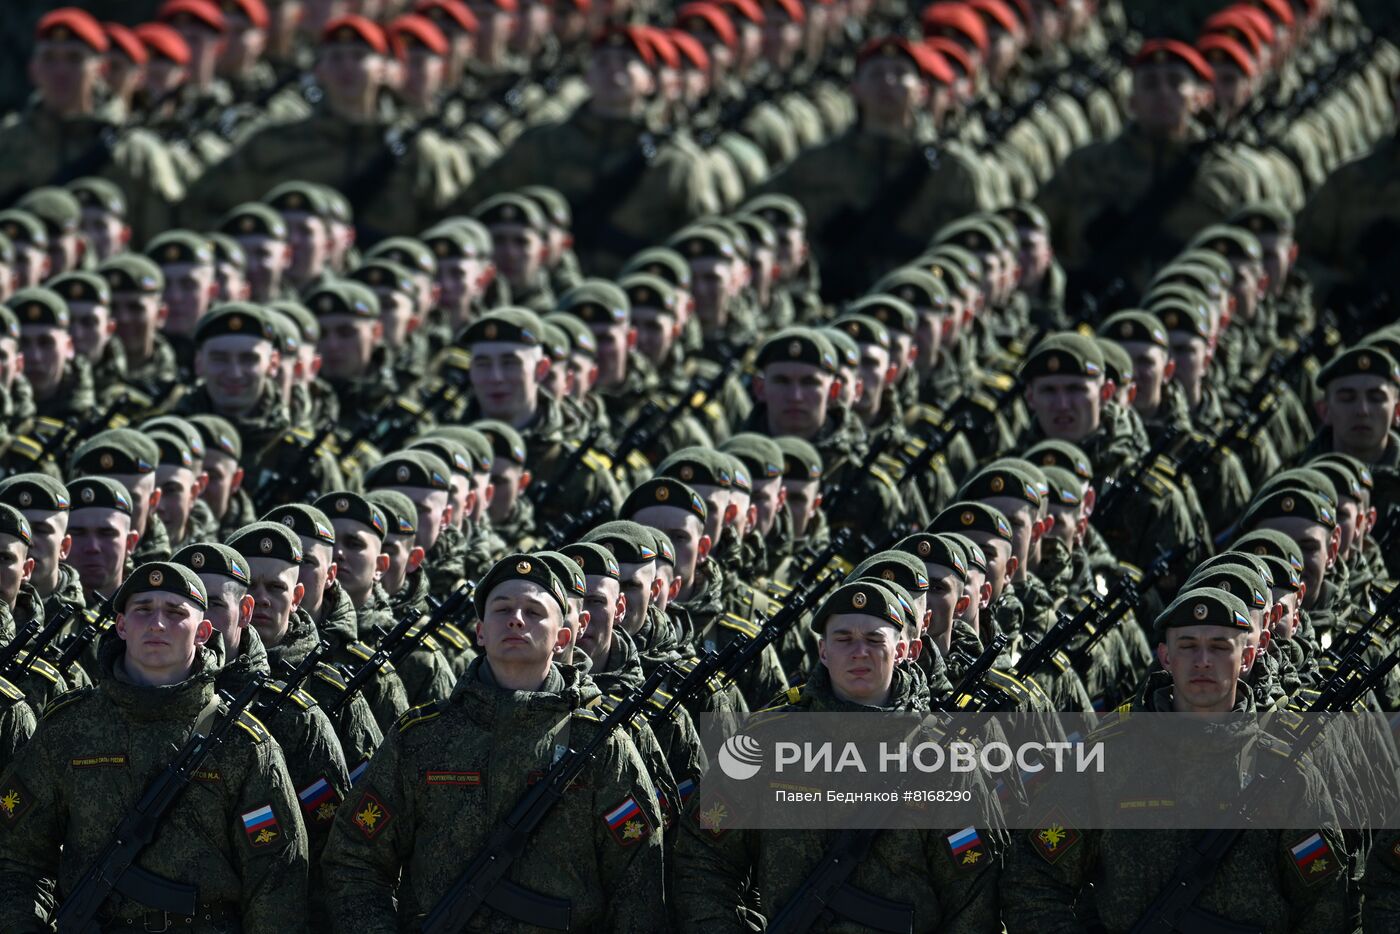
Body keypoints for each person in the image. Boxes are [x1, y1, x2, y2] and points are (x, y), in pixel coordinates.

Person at [321, 552, 665, 931]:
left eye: (534, 613)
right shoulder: (421, 738)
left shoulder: (598, 744)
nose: (517, 619)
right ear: (480, 631)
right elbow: (355, 860)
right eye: (502, 610)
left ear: (563, 636)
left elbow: (638, 883)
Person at [1002, 587, 1348, 934]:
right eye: (1188, 646)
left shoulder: (1286, 774)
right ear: (1165, 657)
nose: (1202, 661)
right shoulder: (1105, 762)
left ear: (1248, 657)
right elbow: (1033, 879)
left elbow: (1328, 906)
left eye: (1219, 646)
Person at [672, 579, 1004, 932]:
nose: (859, 651)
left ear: (906, 649)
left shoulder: (945, 760)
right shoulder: (766, 742)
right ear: (824, 651)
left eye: (875, 639)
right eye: (844, 639)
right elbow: (703, 859)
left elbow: (975, 899)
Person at [0, 560, 310, 932]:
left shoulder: (242, 743)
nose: (157, 624)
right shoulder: (69, 728)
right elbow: (18, 858)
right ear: (121, 625)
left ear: (203, 632)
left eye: (176, 612)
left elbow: (276, 881)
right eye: (143, 610)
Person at [466, 26, 722, 275]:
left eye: (626, 62)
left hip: (637, 291)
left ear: (651, 82)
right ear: (587, 77)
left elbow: (698, 239)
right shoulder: (544, 143)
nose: (612, 70)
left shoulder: (673, 161)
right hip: (549, 283)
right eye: (602, 62)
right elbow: (485, 204)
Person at [0, 8, 184, 244]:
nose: (60, 71)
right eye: (49, 58)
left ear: (101, 69)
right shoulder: (7, 142)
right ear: (33, 69)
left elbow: (160, 240)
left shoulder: (134, 152)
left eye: (75, 59)